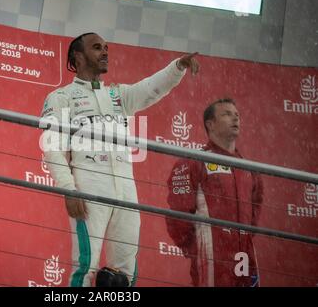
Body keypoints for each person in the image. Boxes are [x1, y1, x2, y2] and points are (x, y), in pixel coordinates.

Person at [40, 32, 199, 287]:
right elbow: (52, 148)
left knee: (125, 273)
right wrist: (68, 189)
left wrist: (177, 67)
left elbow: (150, 89)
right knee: (85, 266)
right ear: (77, 57)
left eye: (106, 48)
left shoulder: (118, 95)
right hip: (89, 186)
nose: (104, 52)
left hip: (126, 189)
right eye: (96, 48)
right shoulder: (61, 97)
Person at [165, 98, 264, 287]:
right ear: (210, 124)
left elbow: (256, 208)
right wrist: (197, 247)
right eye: (227, 114)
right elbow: (178, 216)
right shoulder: (193, 162)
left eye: (237, 115)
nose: (235, 119)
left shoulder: (250, 168)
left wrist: (245, 236)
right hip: (211, 257)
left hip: (245, 255)